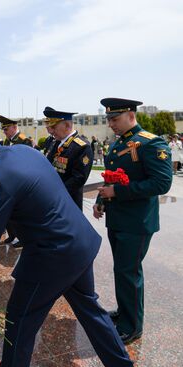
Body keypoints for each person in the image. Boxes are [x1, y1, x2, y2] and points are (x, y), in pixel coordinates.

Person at [0, 116, 133, 367]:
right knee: (91, 312)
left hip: (52, 255)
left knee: (19, 322)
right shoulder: (23, 151)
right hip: (78, 242)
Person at [94, 98, 172, 345]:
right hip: (117, 218)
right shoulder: (119, 144)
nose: (111, 124)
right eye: (108, 120)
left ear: (130, 115)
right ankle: (124, 311)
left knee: (129, 272)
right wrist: (101, 199)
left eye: (114, 119)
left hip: (137, 222)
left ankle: (133, 326)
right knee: (121, 270)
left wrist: (117, 194)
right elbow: (111, 177)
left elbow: (161, 183)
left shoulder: (151, 142)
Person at [43, 106, 94, 210]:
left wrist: (55, 193)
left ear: (66, 125)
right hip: (52, 201)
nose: (50, 131)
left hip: (68, 203)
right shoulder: (55, 143)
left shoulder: (82, 146)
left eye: (53, 127)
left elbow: (78, 179)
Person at [0, 116, 32, 247]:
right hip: (9, 182)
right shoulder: (6, 141)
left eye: (6, 129)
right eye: (3, 129)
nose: (4, 131)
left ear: (14, 127)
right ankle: (12, 234)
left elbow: (28, 162)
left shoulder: (24, 140)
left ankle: (24, 238)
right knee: (9, 212)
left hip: (21, 182)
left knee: (21, 213)